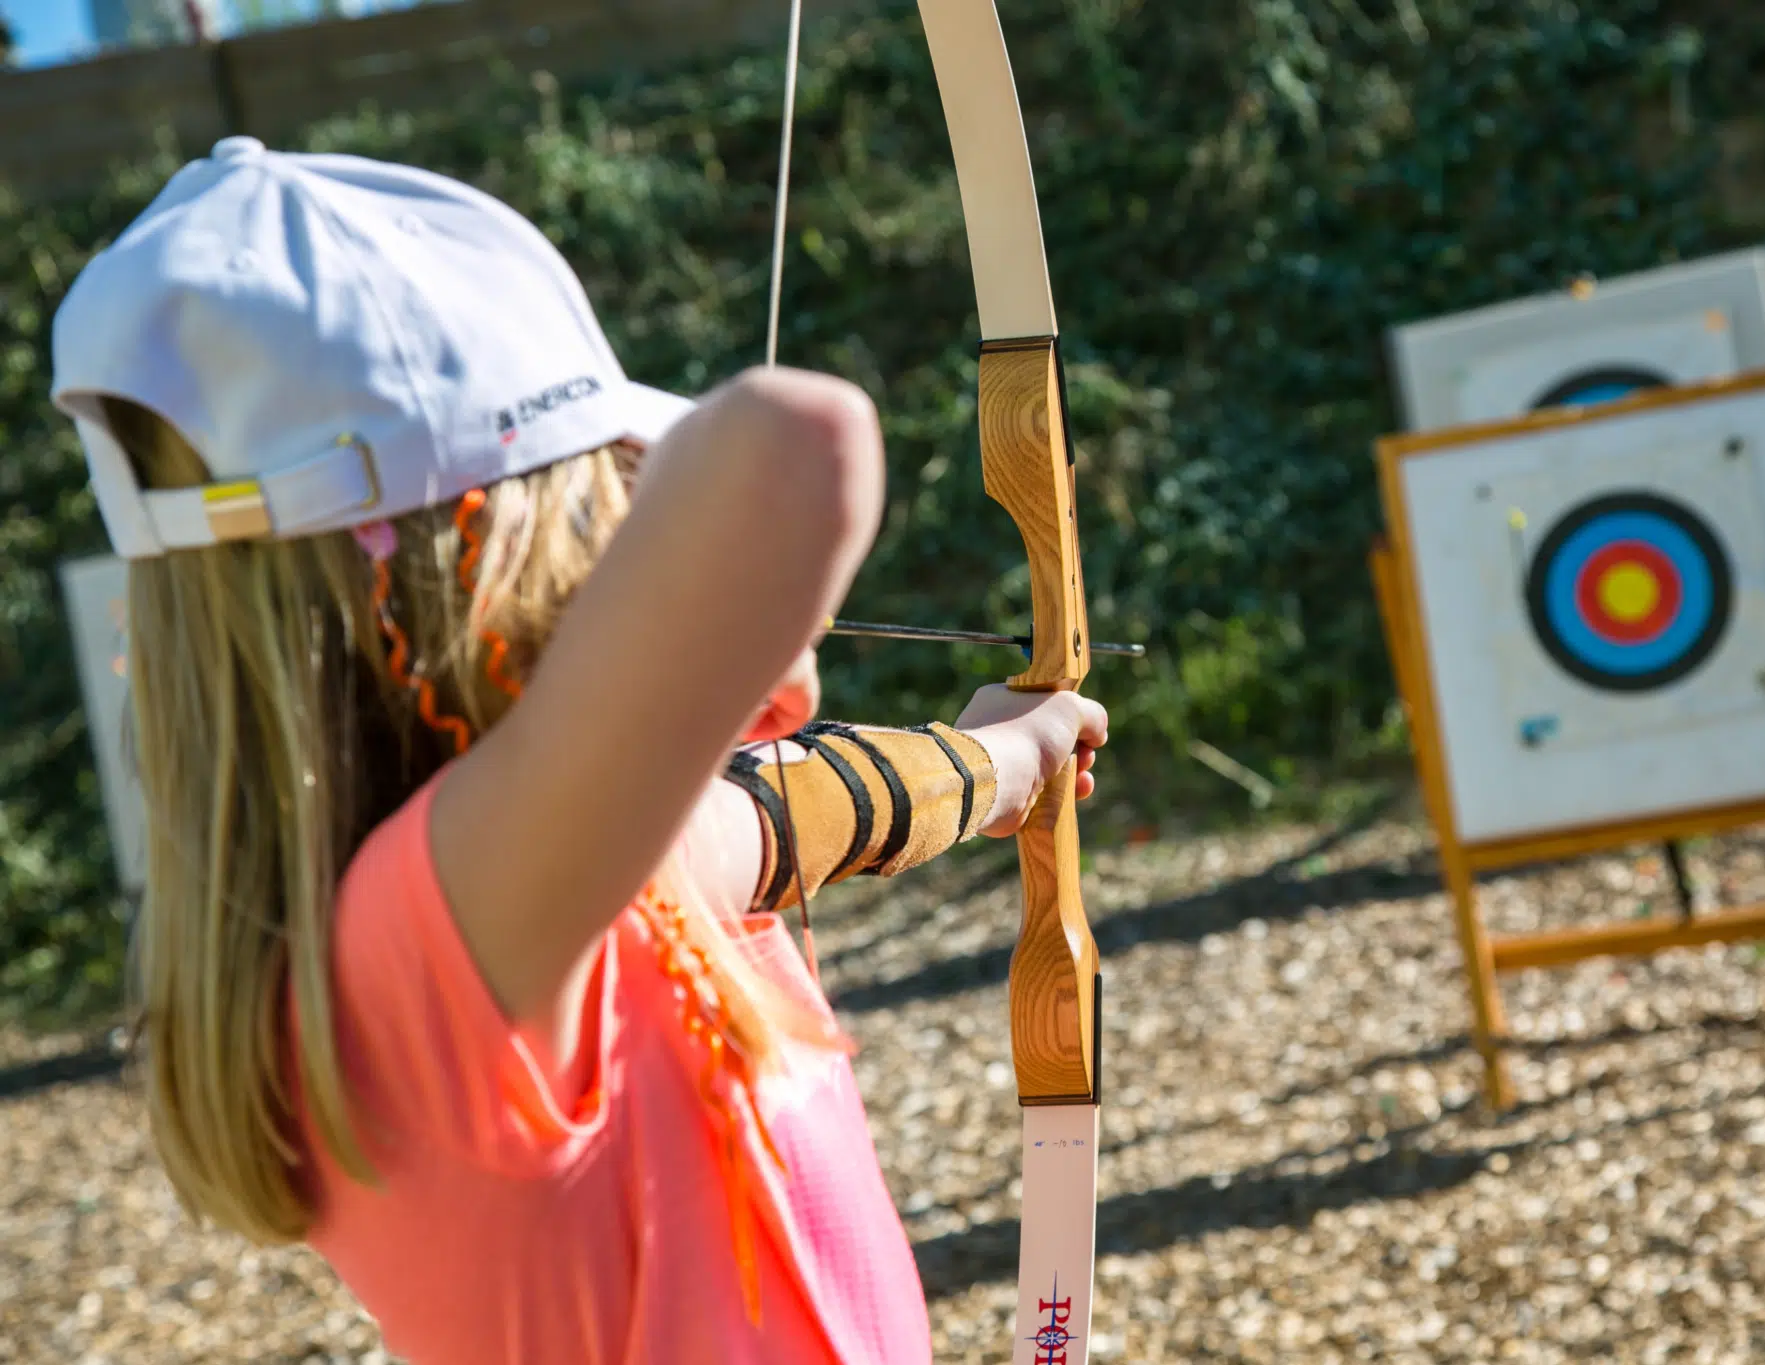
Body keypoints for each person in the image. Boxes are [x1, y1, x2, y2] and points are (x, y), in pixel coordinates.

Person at [48, 135, 1109, 1365]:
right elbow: (798, 443)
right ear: (484, 540)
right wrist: (737, 649)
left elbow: (781, 817)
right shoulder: (428, 944)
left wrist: (1008, 758)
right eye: (596, 486)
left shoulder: (536, 906)